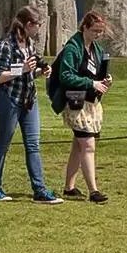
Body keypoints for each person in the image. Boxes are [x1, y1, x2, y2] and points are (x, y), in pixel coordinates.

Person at [0, 7, 62, 204]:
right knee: (3, 144)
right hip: (9, 99)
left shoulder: (29, 44)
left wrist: (40, 72)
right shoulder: (5, 46)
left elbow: (29, 72)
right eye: (38, 25)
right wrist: (23, 69)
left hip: (29, 99)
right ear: (29, 24)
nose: (39, 29)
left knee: (33, 144)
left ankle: (40, 190)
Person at [49, 11, 111, 203]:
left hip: (91, 102)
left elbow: (96, 72)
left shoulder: (96, 49)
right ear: (84, 27)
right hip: (75, 102)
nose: (98, 35)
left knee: (78, 146)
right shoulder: (72, 48)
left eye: (101, 31)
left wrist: (105, 80)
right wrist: (91, 83)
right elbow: (65, 75)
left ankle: (69, 187)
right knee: (88, 145)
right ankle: (94, 190)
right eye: (95, 31)